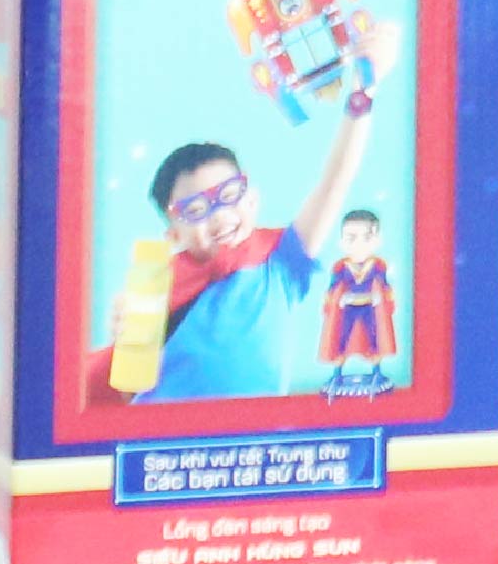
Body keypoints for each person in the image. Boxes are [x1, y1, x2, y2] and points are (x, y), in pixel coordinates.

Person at [131, 92, 372, 402]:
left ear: (252, 200)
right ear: (174, 236)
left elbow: (335, 181)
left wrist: (363, 95)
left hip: (256, 429)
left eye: (229, 194)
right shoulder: (154, 282)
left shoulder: (281, 262)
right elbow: (125, 385)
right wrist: (128, 327)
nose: (220, 216)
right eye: (195, 210)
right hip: (167, 429)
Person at [317, 206, 400, 389]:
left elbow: (385, 287)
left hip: (370, 308)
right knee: (340, 339)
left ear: (377, 241)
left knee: (374, 339)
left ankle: (377, 372)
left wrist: (383, 300)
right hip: (348, 309)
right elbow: (332, 290)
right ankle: (337, 374)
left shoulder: (378, 266)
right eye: (351, 239)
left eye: (366, 238)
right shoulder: (341, 267)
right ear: (342, 242)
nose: (359, 245)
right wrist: (335, 302)